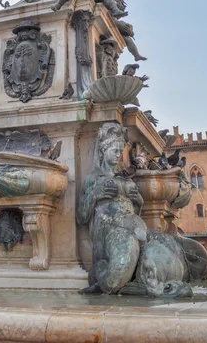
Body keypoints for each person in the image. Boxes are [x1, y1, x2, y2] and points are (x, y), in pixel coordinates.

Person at [77, 122, 146, 294]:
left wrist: (138, 201)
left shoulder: (125, 178)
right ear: (103, 151)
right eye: (114, 151)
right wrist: (95, 194)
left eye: (120, 151)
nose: (118, 156)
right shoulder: (94, 179)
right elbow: (82, 217)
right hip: (108, 236)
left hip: (133, 228)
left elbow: (137, 210)